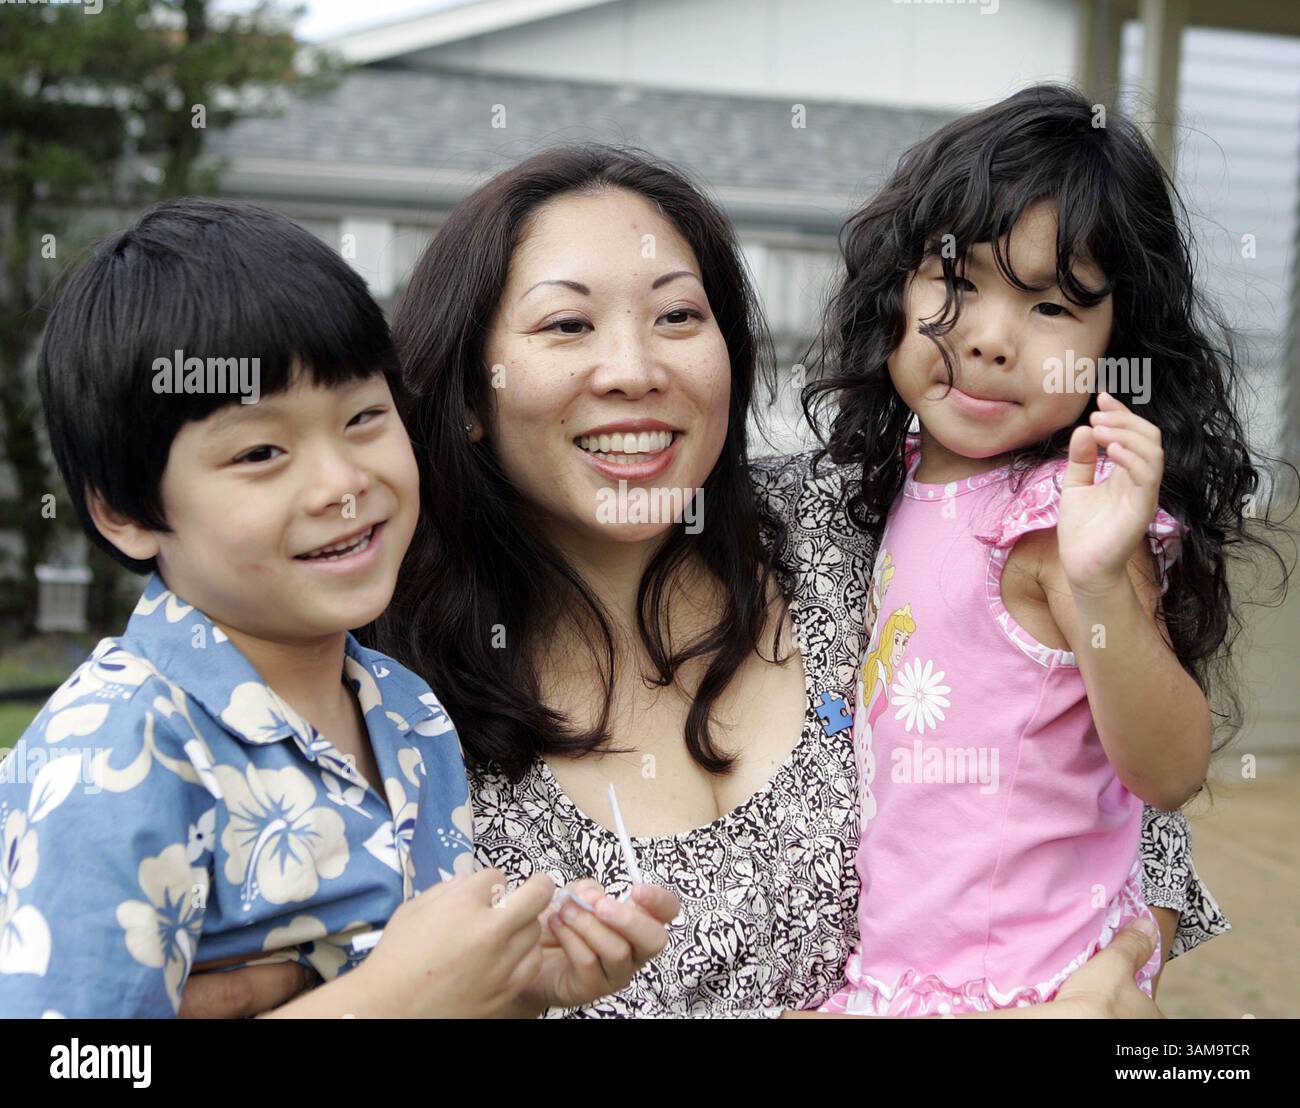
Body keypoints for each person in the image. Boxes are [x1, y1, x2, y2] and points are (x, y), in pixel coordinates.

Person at [180, 145, 1229, 1019]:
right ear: (466, 389)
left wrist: (1114, 988)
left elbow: (1113, 776)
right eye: (566, 325)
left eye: (678, 317)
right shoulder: (381, 706)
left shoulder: (856, 521)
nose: (634, 368)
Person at [0, 198, 674, 1018]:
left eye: (363, 418)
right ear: (127, 513)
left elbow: (418, 985)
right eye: (260, 452)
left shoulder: (403, 706)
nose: (343, 483)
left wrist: (521, 984)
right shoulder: (116, 749)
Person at [804, 85, 1287, 1015]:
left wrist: (1104, 583)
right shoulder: (907, 472)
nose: (989, 340)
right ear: (898, 287)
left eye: (1052, 307)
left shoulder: (1062, 524)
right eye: (960, 281)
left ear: (1119, 344)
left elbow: (1171, 769)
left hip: (1019, 984)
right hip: (902, 971)